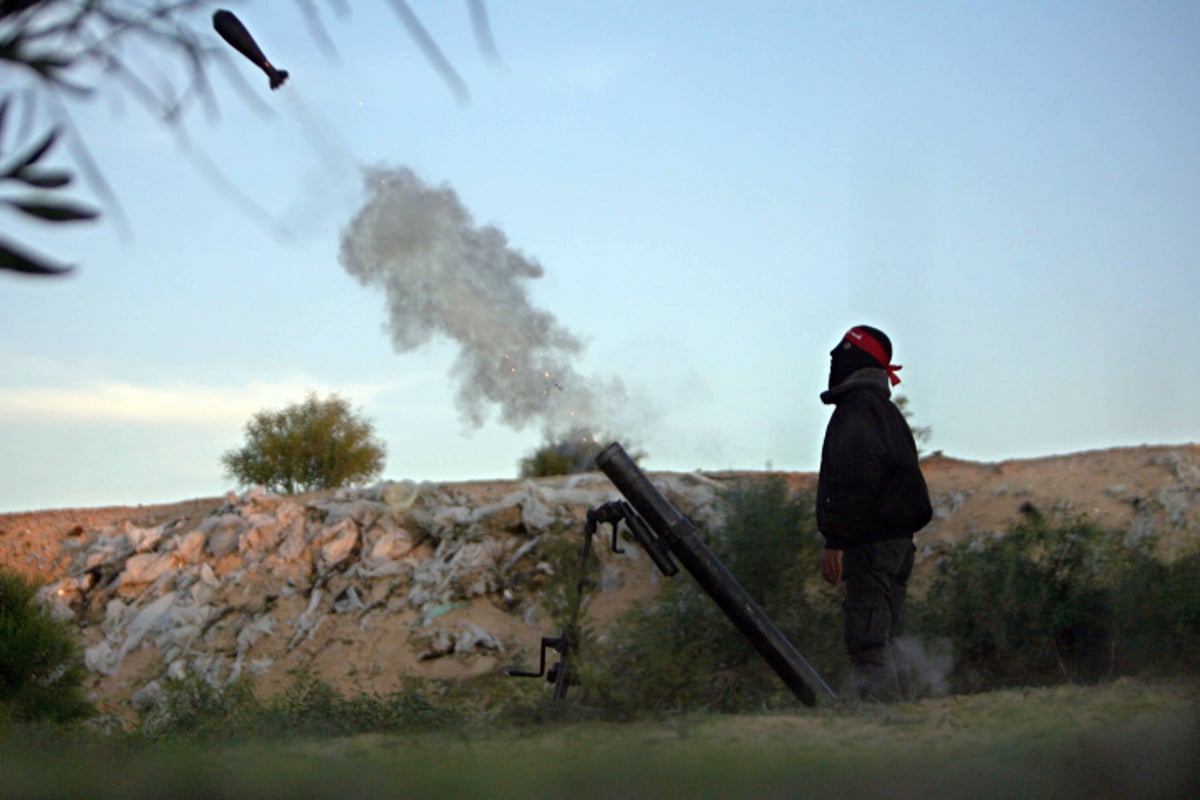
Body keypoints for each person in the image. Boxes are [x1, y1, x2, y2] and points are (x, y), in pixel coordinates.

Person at [816, 325, 932, 702]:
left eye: (845, 349)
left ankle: (882, 730)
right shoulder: (886, 411)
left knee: (868, 643)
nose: (835, 356)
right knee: (889, 640)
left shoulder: (857, 411)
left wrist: (838, 540)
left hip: (869, 544)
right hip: (897, 546)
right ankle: (902, 728)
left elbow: (856, 480)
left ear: (859, 359)